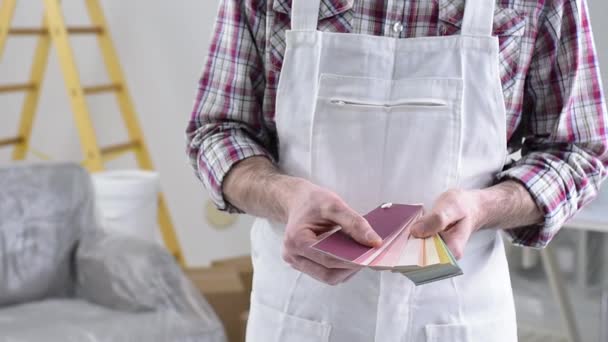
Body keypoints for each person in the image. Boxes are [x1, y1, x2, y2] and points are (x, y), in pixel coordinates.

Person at [186, 0, 607, 341]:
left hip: (458, 317)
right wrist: (285, 196)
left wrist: (484, 207)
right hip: (299, 316)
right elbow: (218, 131)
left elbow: (578, 151)